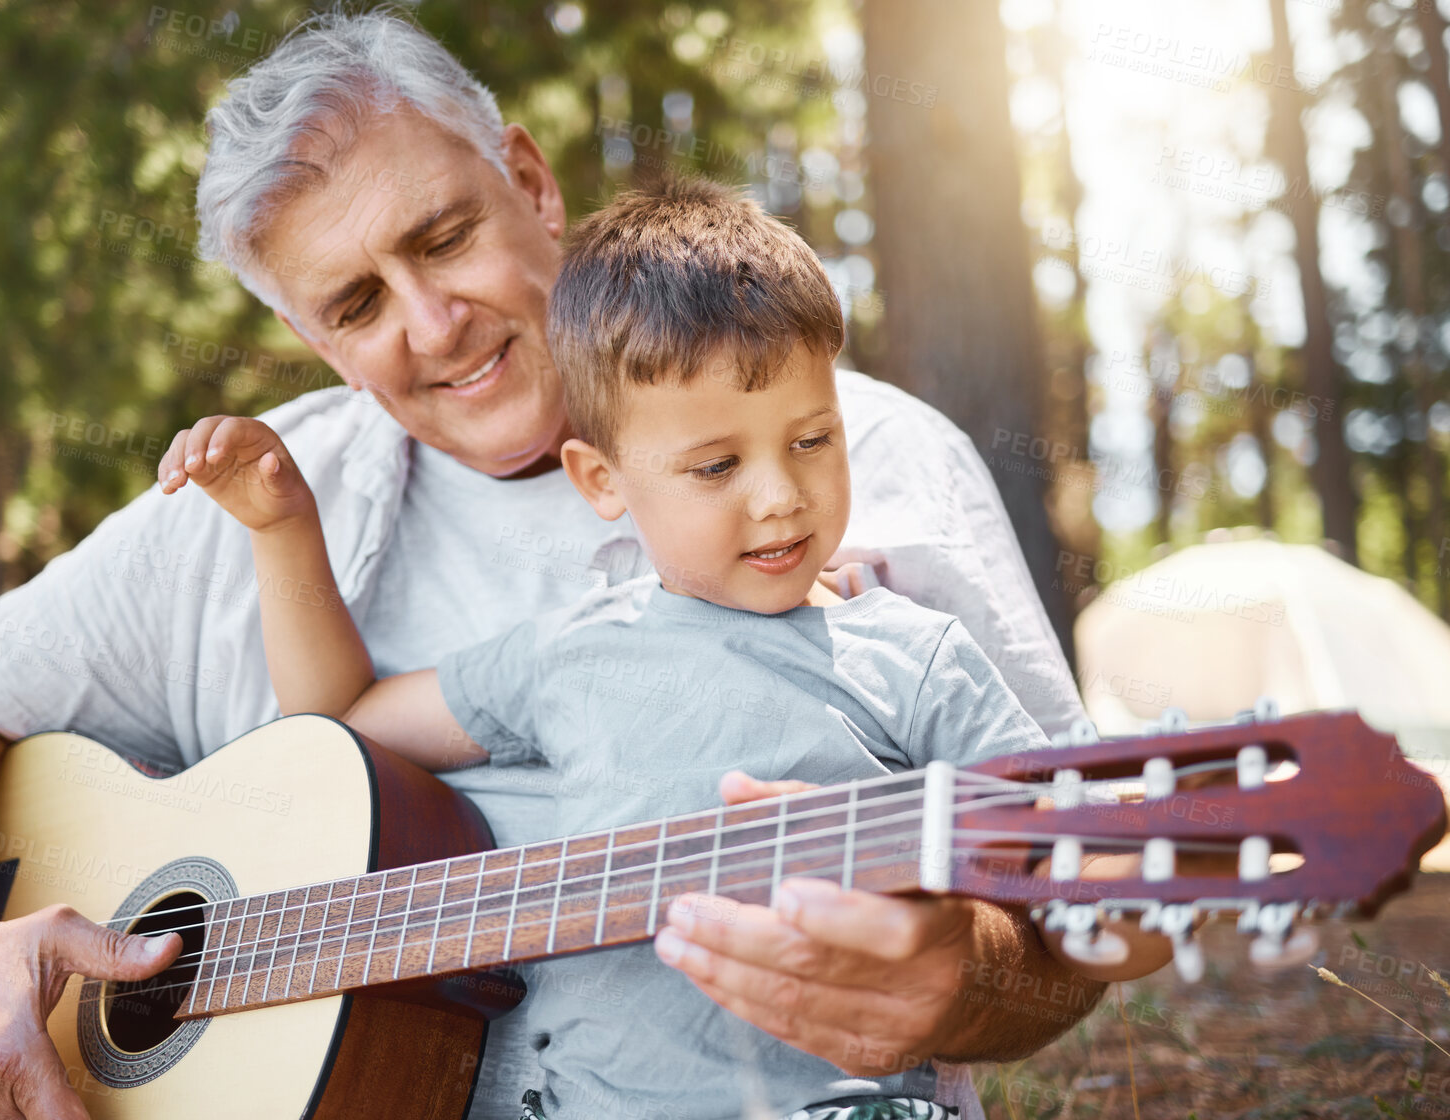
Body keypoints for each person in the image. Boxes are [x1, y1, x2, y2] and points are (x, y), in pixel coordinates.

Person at [0, 10, 1123, 1120]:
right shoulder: (240, 506)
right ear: (308, 339)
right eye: (355, 305)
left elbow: (1070, 934)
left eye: (442, 238)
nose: (430, 325)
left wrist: (969, 976)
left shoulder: (856, 463)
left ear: (530, 180)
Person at [158, 175, 1173, 1120]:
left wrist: (1147, 881)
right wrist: (282, 528)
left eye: (813, 439)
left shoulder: (912, 657)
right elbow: (339, 723)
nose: (780, 494)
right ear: (602, 480)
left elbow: (1101, 923)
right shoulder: (568, 652)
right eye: (716, 463)